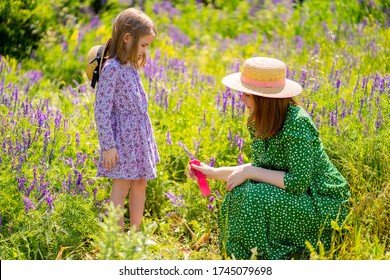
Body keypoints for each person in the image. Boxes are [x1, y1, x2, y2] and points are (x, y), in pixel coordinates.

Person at [189, 57, 350, 260]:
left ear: (264, 98)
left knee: (256, 196)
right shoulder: (261, 120)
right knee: (239, 190)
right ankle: (243, 257)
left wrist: (249, 172)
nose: (240, 100)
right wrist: (211, 172)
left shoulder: (297, 123)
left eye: (246, 95)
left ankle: (266, 257)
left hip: (321, 203)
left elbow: (297, 182)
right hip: (296, 196)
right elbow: (260, 169)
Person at [94, 8, 160, 232]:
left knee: (140, 182)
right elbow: (101, 110)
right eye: (143, 45)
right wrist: (108, 146)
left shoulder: (130, 66)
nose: (144, 51)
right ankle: (117, 238)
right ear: (127, 38)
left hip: (139, 138)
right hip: (122, 140)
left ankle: (135, 234)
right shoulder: (112, 68)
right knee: (121, 186)